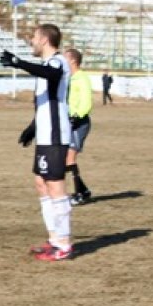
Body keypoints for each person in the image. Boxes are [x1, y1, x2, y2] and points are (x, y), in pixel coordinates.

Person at [0, 24, 73, 261]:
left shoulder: (58, 62)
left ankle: (64, 243)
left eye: (33, 37)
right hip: (45, 135)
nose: (31, 41)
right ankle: (54, 239)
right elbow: (45, 102)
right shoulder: (44, 67)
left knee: (55, 186)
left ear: (43, 39)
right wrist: (32, 128)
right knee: (41, 184)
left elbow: (52, 75)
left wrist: (19, 63)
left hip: (55, 135)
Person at [64, 49, 93, 206]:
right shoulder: (70, 78)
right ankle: (83, 191)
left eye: (65, 58)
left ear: (73, 61)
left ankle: (79, 193)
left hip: (79, 122)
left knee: (69, 158)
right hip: (69, 122)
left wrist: (77, 116)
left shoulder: (82, 78)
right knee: (66, 159)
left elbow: (86, 101)